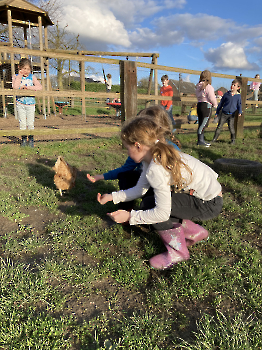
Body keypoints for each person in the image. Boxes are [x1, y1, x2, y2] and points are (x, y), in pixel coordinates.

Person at [96, 116, 223, 270]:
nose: (127, 153)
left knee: (152, 206)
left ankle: (179, 252)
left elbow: (161, 214)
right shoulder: (151, 156)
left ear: (138, 145)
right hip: (206, 197)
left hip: (209, 203)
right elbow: (139, 189)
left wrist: (130, 216)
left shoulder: (157, 168)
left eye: (126, 148)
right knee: (149, 202)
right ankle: (195, 232)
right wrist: (113, 196)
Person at [87, 105, 180, 211]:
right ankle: (125, 210)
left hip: (165, 188)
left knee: (150, 206)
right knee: (126, 176)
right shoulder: (139, 152)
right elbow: (126, 169)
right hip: (146, 183)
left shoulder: (172, 150)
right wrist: (101, 176)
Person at [12, 58, 42, 147]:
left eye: (28, 69)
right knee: (22, 123)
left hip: (30, 103)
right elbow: (15, 87)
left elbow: (39, 87)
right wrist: (20, 76)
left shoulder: (32, 77)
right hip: (20, 103)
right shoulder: (15, 76)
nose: (26, 71)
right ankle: (24, 139)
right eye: (24, 68)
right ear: (19, 68)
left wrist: (28, 87)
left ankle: (31, 139)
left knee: (30, 123)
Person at [212, 79, 242, 145]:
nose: (232, 86)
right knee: (219, 126)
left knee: (231, 127)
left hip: (231, 115)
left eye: (234, 85)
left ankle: (233, 140)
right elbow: (221, 104)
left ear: (238, 87)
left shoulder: (238, 96)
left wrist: (240, 112)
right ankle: (214, 139)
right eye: (232, 84)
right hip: (223, 114)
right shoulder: (226, 94)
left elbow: (239, 104)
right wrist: (217, 112)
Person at [195, 70, 217, 147]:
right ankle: (201, 141)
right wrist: (215, 105)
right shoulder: (209, 87)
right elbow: (212, 97)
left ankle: (201, 140)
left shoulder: (198, 86)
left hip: (199, 104)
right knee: (204, 124)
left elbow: (197, 95)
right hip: (206, 106)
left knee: (201, 123)